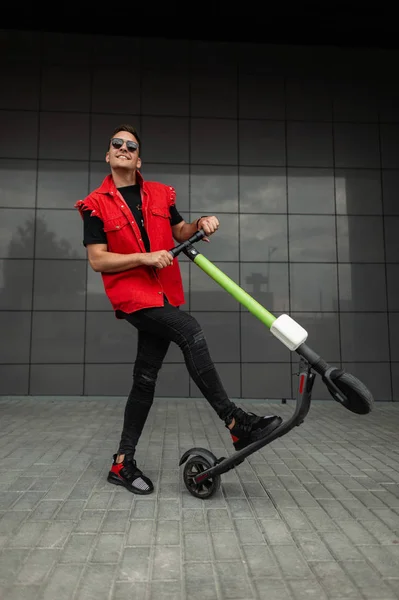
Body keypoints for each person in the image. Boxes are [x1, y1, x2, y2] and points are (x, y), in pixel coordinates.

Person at [75, 124, 282, 495]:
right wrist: (144, 257)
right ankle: (235, 421)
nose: (123, 148)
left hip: (165, 294)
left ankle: (121, 463)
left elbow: (180, 230)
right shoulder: (96, 205)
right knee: (189, 330)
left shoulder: (159, 194)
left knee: (145, 377)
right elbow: (97, 260)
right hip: (133, 297)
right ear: (108, 155)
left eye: (131, 145)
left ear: (139, 158)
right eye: (116, 144)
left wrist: (201, 223)